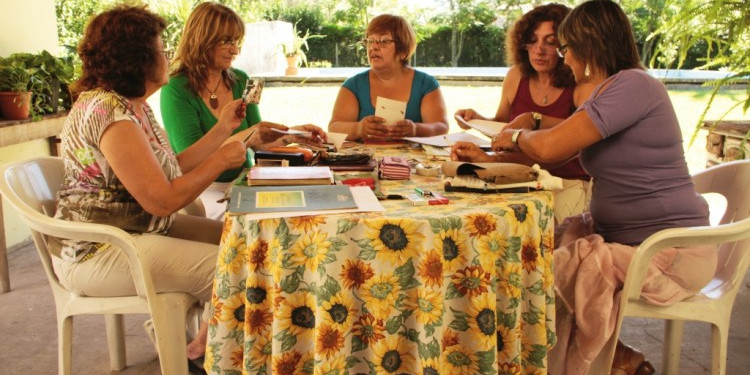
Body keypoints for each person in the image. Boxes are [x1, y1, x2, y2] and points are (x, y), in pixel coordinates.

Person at [51, 5, 291, 362]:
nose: (167, 55)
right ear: (138, 58)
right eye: (161, 49)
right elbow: (162, 200)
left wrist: (226, 128)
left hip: (133, 234)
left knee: (241, 243)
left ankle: (202, 348)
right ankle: (217, 358)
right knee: (235, 267)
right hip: (100, 251)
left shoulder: (132, 107)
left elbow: (170, 167)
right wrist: (220, 160)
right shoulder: (110, 114)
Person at [489, 1, 716, 374]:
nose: (564, 59)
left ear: (587, 46)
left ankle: (561, 364)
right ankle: (618, 360)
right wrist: (502, 149)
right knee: (534, 252)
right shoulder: (609, 91)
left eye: (566, 48)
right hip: (631, 243)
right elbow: (555, 148)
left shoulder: (632, 85)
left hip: (668, 253)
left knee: (546, 272)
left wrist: (516, 133)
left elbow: (549, 145)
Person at [161, 2, 327, 219]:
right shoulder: (176, 88)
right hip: (205, 189)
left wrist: (293, 135)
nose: (235, 50)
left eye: (236, 41)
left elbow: (259, 142)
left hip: (247, 179)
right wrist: (249, 136)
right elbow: (193, 160)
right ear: (202, 39)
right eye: (226, 41)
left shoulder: (240, 80)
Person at [451, 3, 592, 223]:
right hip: (518, 175)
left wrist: (534, 120)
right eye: (533, 40)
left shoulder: (580, 82)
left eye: (550, 41)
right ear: (522, 44)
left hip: (566, 180)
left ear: (567, 45)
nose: (539, 49)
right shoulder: (516, 76)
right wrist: (477, 119)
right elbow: (504, 126)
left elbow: (579, 133)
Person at [328, 14, 449, 141]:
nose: (373, 47)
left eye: (384, 41)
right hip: (365, 160)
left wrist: (415, 130)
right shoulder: (353, 85)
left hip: (416, 161)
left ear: (403, 51)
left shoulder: (426, 84)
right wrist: (359, 129)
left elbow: (442, 127)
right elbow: (334, 127)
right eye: (370, 41)